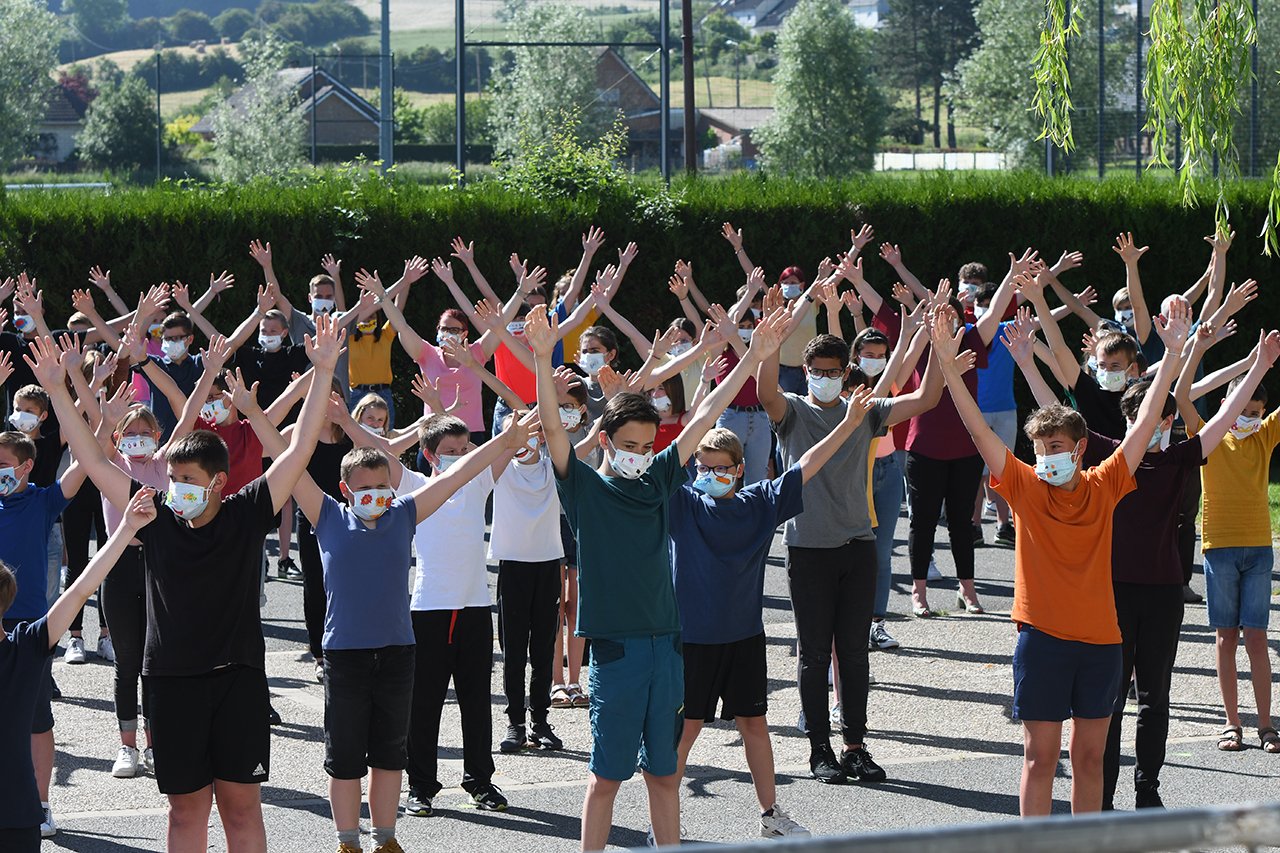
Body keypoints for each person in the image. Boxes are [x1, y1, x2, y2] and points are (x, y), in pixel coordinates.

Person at [35, 315, 345, 852]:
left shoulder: (246, 511)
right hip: (171, 683)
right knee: (183, 815)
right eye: (172, 479)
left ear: (219, 482)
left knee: (242, 812)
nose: (175, 488)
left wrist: (321, 372)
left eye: (187, 481)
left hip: (238, 681)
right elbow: (90, 456)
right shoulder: (150, 515)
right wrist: (60, 391)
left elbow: (295, 456)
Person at [530, 301, 794, 851]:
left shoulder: (657, 481)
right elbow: (553, 426)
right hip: (616, 652)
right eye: (629, 447)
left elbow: (703, 417)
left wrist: (753, 358)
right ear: (605, 441)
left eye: (648, 448)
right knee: (606, 778)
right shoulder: (583, 488)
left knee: (666, 775)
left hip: (667, 648)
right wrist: (540, 358)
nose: (640, 456)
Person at [930, 284, 1189, 815]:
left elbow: (1142, 427)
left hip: (1101, 643)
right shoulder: (1023, 487)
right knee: (1039, 758)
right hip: (1042, 641)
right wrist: (950, 373)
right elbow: (979, 431)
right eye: (1039, 449)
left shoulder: (1106, 481)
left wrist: (1172, 356)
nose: (1046, 457)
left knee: (1090, 758)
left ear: (1078, 448)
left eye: (1055, 448)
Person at [670, 389, 875, 840]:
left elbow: (808, 463)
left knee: (755, 726)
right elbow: (668, 456)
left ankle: (771, 815)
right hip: (693, 639)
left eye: (721, 467)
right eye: (703, 467)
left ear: (739, 469)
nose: (711, 474)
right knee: (685, 732)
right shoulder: (681, 504)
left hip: (744, 636)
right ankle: (662, 825)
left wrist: (848, 423)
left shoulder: (760, 502)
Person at [756, 306, 943, 784]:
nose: (824, 380)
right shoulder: (793, 411)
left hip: (858, 544)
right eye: (816, 373)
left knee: (854, 652)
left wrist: (938, 346)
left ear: (845, 373)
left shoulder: (865, 410)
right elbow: (764, 392)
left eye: (832, 373)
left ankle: (855, 745)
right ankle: (820, 748)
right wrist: (769, 346)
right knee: (814, 653)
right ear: (807, 373)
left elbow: (926, 398)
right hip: (808, 547)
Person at [96, 335, 233, 778]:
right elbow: (92, 446)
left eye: (144, 432)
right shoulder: (112, 463)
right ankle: (127, 746)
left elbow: (190, 412)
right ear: (119, 437)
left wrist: (209, 371)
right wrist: (106, 417)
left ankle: (156, 743)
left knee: (156, 658)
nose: (136, 439)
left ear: (156, 436)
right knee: (126, 661)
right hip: (119, 568)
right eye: (128, 433)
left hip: (160, 567)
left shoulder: (163, 463)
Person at [0, 487, 157, 853]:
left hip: (16, 818)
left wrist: (126, 529)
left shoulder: (26, 645)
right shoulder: (25, 646)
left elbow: (84, 584)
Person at [396, 413, 520, 817]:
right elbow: (380, 452)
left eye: (464, 449)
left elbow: (508, 442)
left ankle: (480, 781)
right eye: (449, 451)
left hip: (474, 610)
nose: (460, 456)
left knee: (476, 700)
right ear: (429, 455)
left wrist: (539, 389)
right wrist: (345, 418)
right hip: (429, 609)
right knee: (425, 702)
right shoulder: (413, 485)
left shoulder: (479, 480)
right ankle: (420, 786)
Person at [1175, 326, 1280, 755]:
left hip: (1258, 547)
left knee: (1256, 638)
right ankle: (1231, 723)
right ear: (1226, 406)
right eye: (1242, 410)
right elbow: (1181, 396)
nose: (1248, 420)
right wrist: (1206, 350)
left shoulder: (1265, 435)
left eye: (1256, 412)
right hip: (1218, 546)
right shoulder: (1206, 434)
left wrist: (1267, 363)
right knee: (1225, 639)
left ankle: (1266, 725)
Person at [0, 411, 89, 839]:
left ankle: (41, 804)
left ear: (26, 466)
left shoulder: (42, 500)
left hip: (31, 625)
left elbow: (83, 467)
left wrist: (103, 425)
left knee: (36, 718)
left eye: (2, 467)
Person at [490, 410, 566, 755]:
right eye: (512, 435)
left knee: (543, 650)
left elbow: (591, 434)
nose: (521, 440)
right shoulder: (501, 470)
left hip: (549, 566)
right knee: (514, 651)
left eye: (526, 432)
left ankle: (540, 721)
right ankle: (515, 722)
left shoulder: (553, 469)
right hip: (514, 568)